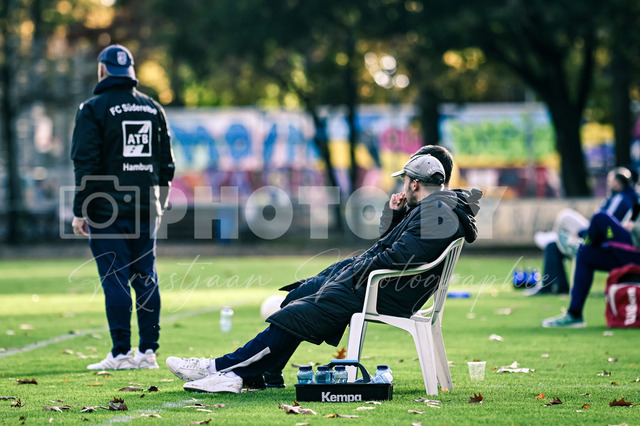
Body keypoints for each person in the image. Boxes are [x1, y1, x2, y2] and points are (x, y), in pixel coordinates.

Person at [165, 152, 482, 393]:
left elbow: (399, 257)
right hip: (379, 285)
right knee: (302, 292)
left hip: (382, 291)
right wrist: (395, 216)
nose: (402, 186)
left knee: (302, 310)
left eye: (405, 181)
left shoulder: (437, 213)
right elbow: (396, 248)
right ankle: (263, 371)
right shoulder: (434, 208)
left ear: (414, 184)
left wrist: (354, 270)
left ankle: (223, 369)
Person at [70, 44, 175, 369]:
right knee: (145, 277)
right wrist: (159, 204)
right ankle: (148, 353)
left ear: (102, 70)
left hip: (106, 211)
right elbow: (167, 165)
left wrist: (79, 210)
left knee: (115, 280)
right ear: (130, 71)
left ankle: (120, 354)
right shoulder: (153, 108)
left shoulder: (93, 109)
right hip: (145, 209)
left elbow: (85, 163)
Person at [527, 167, 638, 295]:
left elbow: (606, 223)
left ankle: (560, 237)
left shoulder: (621, 199)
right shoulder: (617, 197)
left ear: (618, 183)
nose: (608, 184)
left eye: (610, 181)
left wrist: (583, 234)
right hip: (598, 236)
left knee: (566, 217)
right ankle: (556, 285)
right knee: (552, 246)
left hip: (601, 239)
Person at [542, 212, 640, 327]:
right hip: (629, 248)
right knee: (585, 254)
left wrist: (634, 227)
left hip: (635, 248)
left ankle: (582, 240)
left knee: (600, 218)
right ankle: (574, 314)